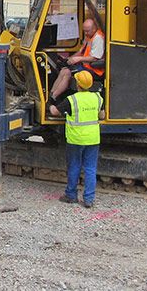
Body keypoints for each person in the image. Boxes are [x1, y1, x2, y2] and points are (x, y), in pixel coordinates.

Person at [50, 71, 105, 208]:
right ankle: (89, 199)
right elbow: (102, 115)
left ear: (77, 84)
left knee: (74, 166)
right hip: (92, 139)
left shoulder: (72, 99)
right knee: (90, 169)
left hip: (75, 140)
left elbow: (55, 112)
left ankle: (71, 195)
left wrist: (50, 104)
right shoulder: (97, 98)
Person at [49, 19, 104, 103]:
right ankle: (51, 95)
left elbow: (95, 58)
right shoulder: (89, 36)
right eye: (84, 31)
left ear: (94, 28)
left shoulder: (98, 38)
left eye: (87, 31)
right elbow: (81, 52)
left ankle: (54, 97)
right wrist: (69, 59)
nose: (85, 33)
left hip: (95, 71)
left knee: (67, 73)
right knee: (64, 70)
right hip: (85, 66)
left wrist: (78, 59)